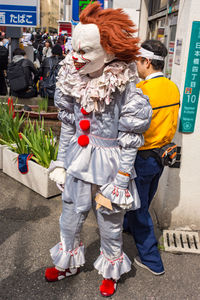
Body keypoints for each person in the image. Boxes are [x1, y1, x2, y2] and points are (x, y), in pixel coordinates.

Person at [45, 3, 152, 297]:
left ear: (107, 50)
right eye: (75, 50)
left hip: (109, 162)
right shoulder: (71, 80)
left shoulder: (125, 85)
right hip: (78, 160)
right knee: (70, 215)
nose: (77, 58)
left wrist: (120, 179)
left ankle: (111, 270)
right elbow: (68, 126)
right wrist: (60, 162)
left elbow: (130, 139)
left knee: (110, 222)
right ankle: (69, 263)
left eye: (85, 52)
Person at [123, 40, 180, 276]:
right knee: (143, 200)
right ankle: (129, 226)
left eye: (138, 61)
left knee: (140, 207)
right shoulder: (173, 87)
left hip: (142, 157)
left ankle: (151, 259)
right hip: (163, 157)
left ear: (146, 62)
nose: (136, 65)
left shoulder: (142, 92)